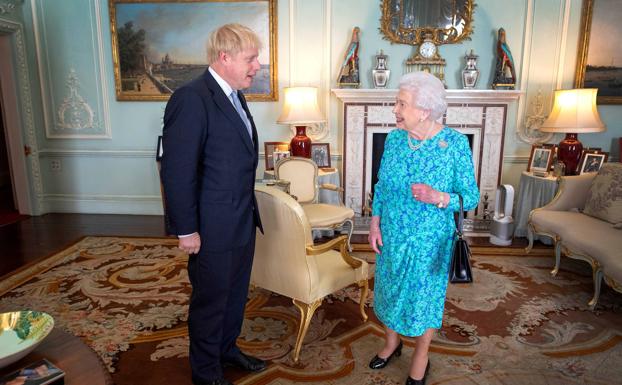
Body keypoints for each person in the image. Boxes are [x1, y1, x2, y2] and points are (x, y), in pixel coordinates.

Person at [160, 24, 265, 385]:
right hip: (211, 226)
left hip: (240, 220)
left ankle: (226, 350)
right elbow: (177, 171)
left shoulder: (235, 94)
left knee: (235, 296)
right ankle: (205, 372)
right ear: (224, 57)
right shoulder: (191, 98)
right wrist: (186, 229)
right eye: (250, 59)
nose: (257, 66)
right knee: (211, 301)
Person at [367, 71, 479, 385]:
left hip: (431, 240)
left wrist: (439, 197)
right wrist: (375, 224)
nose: (395, 109)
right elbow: (383, 186)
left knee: (424, 299)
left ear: (425, 111)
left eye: (402, 103)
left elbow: (469, 195)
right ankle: (392, 343)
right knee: (388, 289)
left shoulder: (454, 145)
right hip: (392, 233)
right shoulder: (394, 139)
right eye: (396, 102)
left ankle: (421, 355)